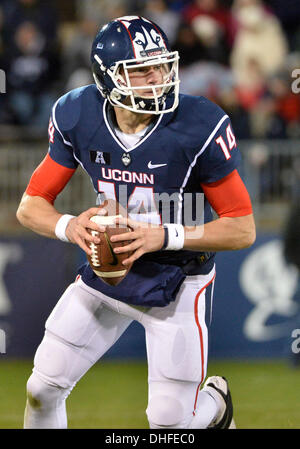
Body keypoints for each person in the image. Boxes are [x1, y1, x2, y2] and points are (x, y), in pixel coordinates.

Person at [16, 15, 256, 429]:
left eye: (161, 65)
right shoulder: (77, 113)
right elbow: (31, 205)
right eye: (141, 70)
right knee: (42, 388)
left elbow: (242, 227)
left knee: (170, 421)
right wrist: (70, 226)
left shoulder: (198, 123)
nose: (157, 77)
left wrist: (162, 235)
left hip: (181, 275)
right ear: (108, 79)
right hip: (109, 270)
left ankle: (215, 407)